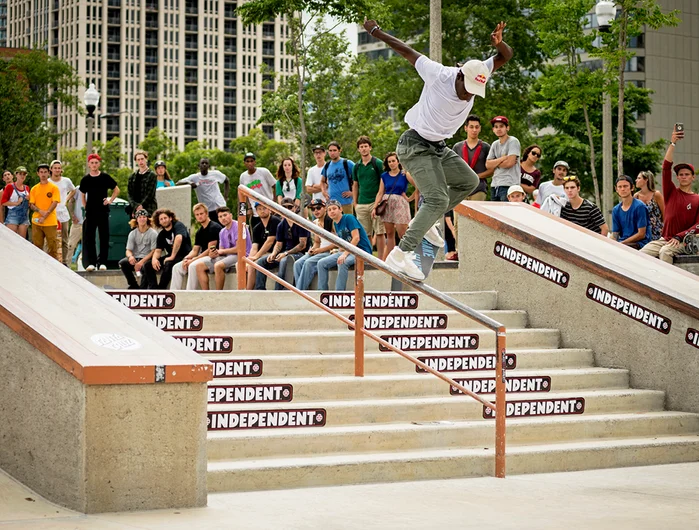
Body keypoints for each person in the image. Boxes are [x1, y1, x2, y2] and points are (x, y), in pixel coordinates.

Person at [362, 18, 512, 280]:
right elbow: (405, 50)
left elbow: (505, 56)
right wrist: (377, 32)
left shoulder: (479, 71)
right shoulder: (438, 73)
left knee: (469, 180)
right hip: (414, 145)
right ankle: (401, 253)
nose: (469, 96)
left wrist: (500, 44)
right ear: (460, 75)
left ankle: (427, 221)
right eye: (468, 90)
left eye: (475, 92)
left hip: (438, 147)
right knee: (438, 198)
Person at [641, 129, 699, 264]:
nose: (684, 176)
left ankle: (666, 285)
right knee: (641, 254)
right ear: (677, 177)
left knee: (665, 252)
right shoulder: (671, 192)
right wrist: (673, 143)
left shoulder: (697, 199)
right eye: (681, 174)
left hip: (684, 241)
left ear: (693, 177)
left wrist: (680, 236)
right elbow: (666, 168)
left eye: (687, 174)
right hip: (665, 239)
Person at [254, 197, 309, 290]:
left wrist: (286, 253)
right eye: (284, 208)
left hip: (299, 254)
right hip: (284, 253)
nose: (287, 210)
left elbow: (302, 245)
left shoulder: (301, 222)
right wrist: (274, 253)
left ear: (294, 208)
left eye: (290, 207)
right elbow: (279, 243)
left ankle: (279, 290)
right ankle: (260, 290)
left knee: (284, 260)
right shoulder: (281, 225)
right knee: (260, 262)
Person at [317, 200, 373, 291]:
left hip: (361, 251)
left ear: (340, 209)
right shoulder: (335, 223)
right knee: (321, 263)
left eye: (334, 208)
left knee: (342, 262)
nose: (332, 211)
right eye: (329, 210)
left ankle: (339, 294)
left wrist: (344, 254)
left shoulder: (349, 218)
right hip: (349, 252)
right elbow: (343, 243)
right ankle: (322, 292)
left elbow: (356, 238)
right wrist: (339, 251)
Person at [79, 153, 120, 271]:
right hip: (91, 212)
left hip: (103, 211)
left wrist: (110, 200)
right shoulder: (85, 179)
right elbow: (82, 194)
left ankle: (103, 262)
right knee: (89, 237)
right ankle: (91, 263)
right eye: (92, 163)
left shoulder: (105, 177)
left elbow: (116, 190)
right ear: (88, 164)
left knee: (104, 237)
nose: (94, 165)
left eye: (96, 162)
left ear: (99, 164)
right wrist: (86, 206)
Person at [169, 203, 222, 290]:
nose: (199, 216)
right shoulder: (199, 232)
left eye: (201, 214)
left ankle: (190, 293)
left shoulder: (214, 227)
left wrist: (193, 260)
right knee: (177, 267)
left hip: (213, 256)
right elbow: (194, 250)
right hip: (202, 256)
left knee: (193, 265)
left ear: (206, 213)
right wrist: (186, 259)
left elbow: (210, 250)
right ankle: (174, 293)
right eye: (197, 215)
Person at [198, 206, 252, 290]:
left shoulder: (238, 226)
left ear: (230, 215)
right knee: (200, 265)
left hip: (241, 255)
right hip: (227, 256)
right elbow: (221, 251)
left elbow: (239, 249)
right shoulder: (222, 232)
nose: (223, 218)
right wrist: (214, 254)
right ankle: (206, 293)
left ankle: (218, 293)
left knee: (218, 265)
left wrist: (222, 251)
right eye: (220, 216)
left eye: (225, 215)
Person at [373, 152, 415, 260]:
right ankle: (391, 259)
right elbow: (380, 192)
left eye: (393, 161)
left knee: (403, 233)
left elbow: (418, 186)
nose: (391, 163)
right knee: (390, 233)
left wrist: (410, 198)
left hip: (400, 203)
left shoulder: (404, 174)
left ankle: (408, 256)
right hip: (387, 203)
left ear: (398, 161)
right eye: (389, 161)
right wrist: (375, 207)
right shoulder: (384, 176)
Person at [353, 135, 386, 260]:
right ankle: (367, 258)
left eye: (366, 146)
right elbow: (355, 185)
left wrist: (379, 202)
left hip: (375, 202)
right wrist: (355, 203)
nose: (364, 149)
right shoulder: (356, 166)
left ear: (370, 147)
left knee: (380, 232)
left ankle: (381, 259)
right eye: (361, 147)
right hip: (362, 203)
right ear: (358, 150)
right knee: (364, 234)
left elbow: (384, 182)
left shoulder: (377, 163)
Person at [143, 208, 192, 289]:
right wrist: (154, 259)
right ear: (159, 222)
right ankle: (154, 289)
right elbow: (158, 250)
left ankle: (161, 289)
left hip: (184, 255)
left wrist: (172, 256)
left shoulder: (178, 225)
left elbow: (179, 238)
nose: (164, 220)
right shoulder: (161, 234)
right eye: (161, 219)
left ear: (170, 218)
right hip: (171, 256)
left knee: (168, 263)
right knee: (148, 265)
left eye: (165, 218)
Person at [294, 198, 336, 290]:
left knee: (308, 263)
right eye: (313, 209)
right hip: (320, 251)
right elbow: (317, 242)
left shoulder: (331, 220)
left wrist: (320, 250)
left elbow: (337, 244)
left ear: (325, 208)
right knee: (297, 263)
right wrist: (312, 249)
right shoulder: (315, 223)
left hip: (330, 252)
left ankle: (299, 292)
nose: (315, 211)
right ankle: (303, 290)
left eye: (318, 208)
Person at [452, 115, 493, 201]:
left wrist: (476, 176)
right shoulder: (457, 147)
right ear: (465, 128)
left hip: (479, 189)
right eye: (471, 127)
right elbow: (452, 168)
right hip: (461, 189)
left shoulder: (485, 147)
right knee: (458, 214)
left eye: (476, 127)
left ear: (480, 128)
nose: (474, 130)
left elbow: (492, 170)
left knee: (475, 214)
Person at [177, 158, 229, 224]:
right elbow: (178, 183)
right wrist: (189, 183)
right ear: (199, 166)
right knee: (212, 230)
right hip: (207, 210)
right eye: (202, 163)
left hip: (220, 206)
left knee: (225, 228)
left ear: (209, 166)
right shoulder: (195, 177)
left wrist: (226, 197)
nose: (204, 165)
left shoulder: (215, 174)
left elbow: (226, 180)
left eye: (206, 163)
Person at [118, 209, 157, 289]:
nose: (142, 219)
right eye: (140, 217)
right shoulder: (132, 233)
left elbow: (153, 251)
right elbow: (128, 250)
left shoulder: (153, 233)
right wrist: (130, 257)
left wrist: (141, 262)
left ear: (147, 219)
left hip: (147, 259)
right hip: (135, 258)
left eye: (144, 217)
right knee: (123, 263)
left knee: (146, 266)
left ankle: (143, 288)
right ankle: (133, 285)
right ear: (136, 219)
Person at [486, 116, 521, 202]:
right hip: (495, 185)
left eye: (501, 126)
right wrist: (502, 158)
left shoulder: (513, 141)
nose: (498, 129)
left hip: (509, 184)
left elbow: (509, 163)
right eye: (496, 127)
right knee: (494, 214)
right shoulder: (495, 144)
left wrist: (495, 162)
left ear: (507, 128)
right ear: (493, 129)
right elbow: (488, 165)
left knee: (506, 212)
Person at [29, 164, 60, 260]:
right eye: (41, 172)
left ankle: (54, 269)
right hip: (36, 221)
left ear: (48, 173)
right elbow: (31, 204)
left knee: (52, 247)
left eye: (45, 172)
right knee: (37, 246)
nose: (43, 174)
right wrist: (39, 211)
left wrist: (45, 215)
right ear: (38, 173)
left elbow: (55, 202)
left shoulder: (53, 188)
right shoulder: (34, 188)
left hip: (50, 221)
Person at [246, 202, 280, 289]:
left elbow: (270, 242)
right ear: (256, 211)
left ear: (269, 209)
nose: (262, 211)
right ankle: (242, 289)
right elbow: (254, 247)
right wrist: (250, 258)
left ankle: (249, 291)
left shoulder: (275, 221)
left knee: (254, 264)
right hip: (263, 254)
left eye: (264, 208)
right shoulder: (257, 227)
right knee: (240, 264)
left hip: (274, 253)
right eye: (259, 209)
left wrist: (256, 257)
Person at [239, 152, 276, 231]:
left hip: (268, 208)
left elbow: (275, 186)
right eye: (247, 161)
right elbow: (244, 195)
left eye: (252, 161)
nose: (250, 163)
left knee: (271, 232)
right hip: (256, 211)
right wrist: (248, 208)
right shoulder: (243, 177)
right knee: (257, 233)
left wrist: (274, 204)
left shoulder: (264, 172)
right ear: (244, 163)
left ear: (255, 162)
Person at [610, 175, 650, 249]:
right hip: (623, 243)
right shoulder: (616, 210)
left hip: (639, 243)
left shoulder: (639, 206)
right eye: (620, 187)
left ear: (632, 188)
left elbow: (641, 234)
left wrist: (622, 243)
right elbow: (615, 234)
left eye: (625, 186)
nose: (622, 189)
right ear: (616, 189)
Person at [49, 160, 76, 266]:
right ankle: (51, 260)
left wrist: (66, 200)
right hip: (51, 213)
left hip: (63, 213)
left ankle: (64, 262)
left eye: (59, 168)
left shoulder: (66, 180)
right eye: (55, 168)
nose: (57, 170)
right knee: (51, 238)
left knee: (64, 239)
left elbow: (73, 190)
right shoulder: (48, 182)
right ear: (51, 169)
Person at [320, 141, 355, 214]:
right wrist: (324, 192)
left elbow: (359, 179)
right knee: (334, 225)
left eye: (335, 150)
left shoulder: (347, 163)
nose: (332, 153)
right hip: (332, 203)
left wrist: (353, 193)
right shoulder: (327, 165)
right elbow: (322, 181)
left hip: (346, 202)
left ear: (339, 151)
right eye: (330, 151)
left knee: (347, 223)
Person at [634, 170, 665, 242]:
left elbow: (664, 213)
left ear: (646, 180)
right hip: (642, 231)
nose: (636, 180)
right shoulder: (636, 196)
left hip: (657, 231)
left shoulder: (656, 194)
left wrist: (664, 230)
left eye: (639, 178)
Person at [127, 150, 157, 217]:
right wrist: (135, 207)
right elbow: (129, 194)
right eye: (138, 159)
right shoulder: (132, 177)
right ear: (136, 161)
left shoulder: (152, 175)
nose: (140, 161)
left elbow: (150, 194)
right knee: (134, 227)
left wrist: (141, 206)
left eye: (142, 159)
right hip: (134, 209)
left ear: (146, 159)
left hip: (149, 208)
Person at [2, 166, 30, 238]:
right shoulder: (10, 187)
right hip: (13, 216)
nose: (22, 176)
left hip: (24, 217)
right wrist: (16, 203)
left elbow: (29, 204)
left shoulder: (26, 188)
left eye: (24, 174)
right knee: (11, 240)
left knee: (22, 241)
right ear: (16, 175)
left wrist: (29, 200)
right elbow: (3, 202)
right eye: (20, 174)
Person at [67, 187, 84, 266]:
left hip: (90, 223)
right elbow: (70, 201)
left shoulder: (96, 188)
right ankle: (66, 266)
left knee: (90, 247)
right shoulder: (78, 188)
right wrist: (72, 215)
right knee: (70, 245)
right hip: (77, 223)